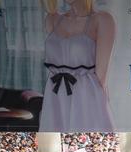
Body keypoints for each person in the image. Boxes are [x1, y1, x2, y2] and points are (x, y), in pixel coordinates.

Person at [41, 0, 116, 131]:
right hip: (54, 93)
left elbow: (101, 75)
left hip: (85, 93)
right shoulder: (52, 19)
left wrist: (99, 106)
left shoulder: (102, 20)